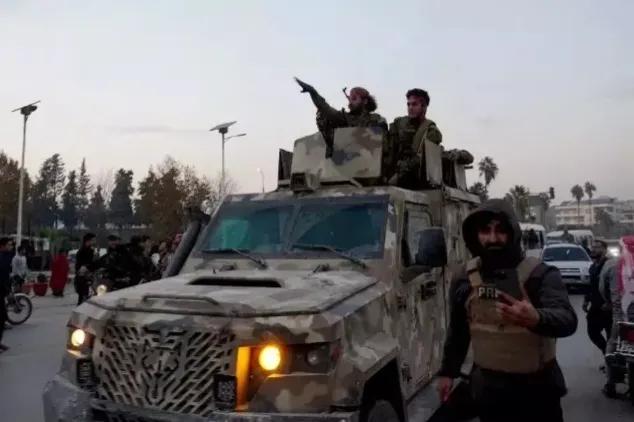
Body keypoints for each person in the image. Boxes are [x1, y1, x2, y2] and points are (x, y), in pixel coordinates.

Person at [436, 199, 577, 422]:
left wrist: (536, 318)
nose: (493, 239)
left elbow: (567, 319)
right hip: (488, 392)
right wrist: (448, 373)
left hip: (537, 393)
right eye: (485, 230)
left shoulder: (540, 274)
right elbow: (458, 331)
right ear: (475, 234)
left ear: (513, 232)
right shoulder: (465, 277)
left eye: (501, 230)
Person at [294, 77, 387, 156]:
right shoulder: (344, 118)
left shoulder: (376, 120)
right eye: (350, 98)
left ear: (365, 101)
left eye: (354, 98)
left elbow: (381, 145)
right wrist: (313, 92)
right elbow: (326, 109)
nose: (350, 101)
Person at [385, 88, 442, 187]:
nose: (410, 108)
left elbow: (421, 160)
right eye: (408, 104)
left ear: (424, 107)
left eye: (414, 104)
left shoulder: (430, 131)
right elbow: (389, 150)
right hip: (392, 176)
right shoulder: (399, 124)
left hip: (416, 181)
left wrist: (398, 176)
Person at [582, 240, 613, 356]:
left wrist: (610, 302)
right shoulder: (593, 266)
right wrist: (586, 300)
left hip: (608, 307)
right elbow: (591, 286)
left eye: (597, 247)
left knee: (610, 335)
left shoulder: (609, 265)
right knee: (592, 332)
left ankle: (610, 359)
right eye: (593, 247)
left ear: (605, 250)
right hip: (595, 306)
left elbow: (614, 286)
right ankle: (607, 353)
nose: (593, 249)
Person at [75, 233, 97, 305]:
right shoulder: (82, 251)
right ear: (88, 241)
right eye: (93, 240)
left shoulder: (90, 250)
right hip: (83, 276)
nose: (94, 241)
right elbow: (80, 265)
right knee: (83, 296)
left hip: (88, 275)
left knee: (86, 296)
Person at [0, 237, 13, 352]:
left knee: (3, 316)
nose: (11, 246)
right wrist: (7, 290)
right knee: (2, 316)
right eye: (9, 245)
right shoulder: (2, 258)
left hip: (3, 290)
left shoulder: (6, 256)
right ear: (2, 246)